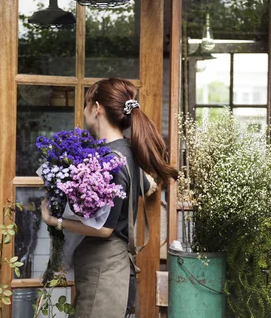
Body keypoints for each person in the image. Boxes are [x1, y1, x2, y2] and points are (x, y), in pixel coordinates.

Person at [40, 78, 179, 318]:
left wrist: (55, 221)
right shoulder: (126, 151)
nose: (84, 112)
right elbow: (150, 187)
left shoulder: (110, 159)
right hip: (111, 269)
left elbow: (105, 229)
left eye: (85, 105)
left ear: (97, 108)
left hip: (105, 272)